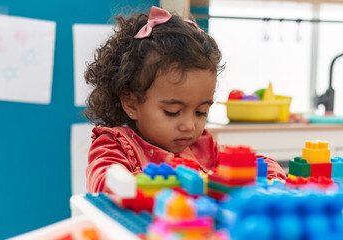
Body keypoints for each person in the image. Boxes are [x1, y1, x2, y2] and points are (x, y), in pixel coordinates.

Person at [84, 6, 286, 193]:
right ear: (131, 102)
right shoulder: (115, 145)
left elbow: (262, 164)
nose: (190, 126)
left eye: (201, 112)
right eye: (173, 111)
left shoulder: (203, 148)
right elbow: (105, 183)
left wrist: (273, 182)